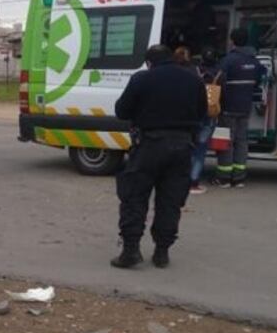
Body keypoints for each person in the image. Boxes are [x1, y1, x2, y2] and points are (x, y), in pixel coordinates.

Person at [111, 44, 208, 269]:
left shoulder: (142, 79)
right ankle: (162, 252)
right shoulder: (193, 80)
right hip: (182, 147)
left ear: (149, 62)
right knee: (171, 201)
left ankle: (131, 250)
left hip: (149, 145)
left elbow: (121, 111)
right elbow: (203, 112)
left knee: (134, 197)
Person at [214, 28, 267, 188]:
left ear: (232, 41)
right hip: (245, 107)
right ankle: (239, 178)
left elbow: (217, 81)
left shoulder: (228, 60)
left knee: (226, 141)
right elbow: (259, 81)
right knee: (242, 141)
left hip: (227, 107)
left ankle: (224, 177)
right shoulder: (254, 61)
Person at [189, 49, 222, 195]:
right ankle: (193, 181)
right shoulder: (219, 74)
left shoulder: (192, 71)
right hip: (210, 115)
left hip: (194, 114)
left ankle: (184, 179)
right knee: (201, 150)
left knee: (189, 147)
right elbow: (223, 94)